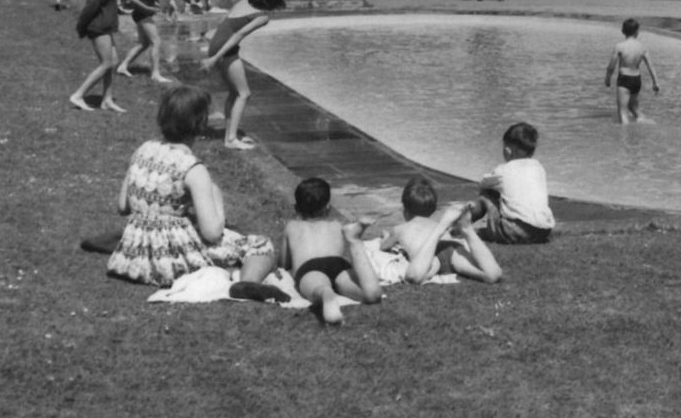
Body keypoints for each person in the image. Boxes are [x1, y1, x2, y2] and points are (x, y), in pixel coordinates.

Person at [107, 85, 283, 296]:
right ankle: (248, 284)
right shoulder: (192, 168)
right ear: (200, 123)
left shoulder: (143, 150)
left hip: (134, 252)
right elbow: (212, 232)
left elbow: (123, 206)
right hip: (171, 257)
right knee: (260, 245)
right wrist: (216, 197)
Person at [280, 176, 383, 326]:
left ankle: (325, 293)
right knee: (369, 296)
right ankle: (355, 242)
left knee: (318, 286)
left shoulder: (292, 227)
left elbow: (284, 263)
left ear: (296, 208)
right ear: (328, 207)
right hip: (338, 265)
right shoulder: (335, 225)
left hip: (310, 268)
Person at [204, 0, 286, 151]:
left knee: (234, 93)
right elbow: (238, 34)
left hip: (216, 44)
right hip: (224, 49)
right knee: (244, 93)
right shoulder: (262, 17)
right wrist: (215, 59)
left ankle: (229, 135)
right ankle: (231, 139)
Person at [377, 175, 503, 285]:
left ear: (404, 209)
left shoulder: (399, 229)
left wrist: (385, 237)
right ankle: (468, 229)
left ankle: (454, 229)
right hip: (449, 249)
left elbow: (383, 247)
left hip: (428, 257)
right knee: (491, 276)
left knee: (414, 277)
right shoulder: (433, 224)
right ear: (433, 209)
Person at [457, 122, 555, 245]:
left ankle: (461, 224)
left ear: (508, 151)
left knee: (488, 194)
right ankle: (481, 228)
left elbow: (483, 184)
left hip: (514, 231)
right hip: (544, 230)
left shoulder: (503, 170)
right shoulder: (539, 168)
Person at [69, 0, 129, 112]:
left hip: (105, 26)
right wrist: (81, 26)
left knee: (114, 62)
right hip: (99, 27)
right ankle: (78, 95)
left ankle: (107, 100)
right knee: (106, 63)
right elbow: (91, 6)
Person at [117, 0, 177, 86]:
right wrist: (147, 8)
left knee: (143, 44)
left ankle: (123, 66)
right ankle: (155, 73)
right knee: (156, 42)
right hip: (143, 14)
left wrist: (154, 0)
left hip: (143, 13)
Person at [603, 18, 661, 123]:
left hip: (624, 79)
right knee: (633, 107)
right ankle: (646, 122)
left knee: (622, 111)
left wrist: (607, 79)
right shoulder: (642, 47)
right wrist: (655, 82)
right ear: (637, 32)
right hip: (637, 80)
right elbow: (650, 65)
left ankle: (625, 137)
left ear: (623, 31)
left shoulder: (619, 46)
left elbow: (611, 66)